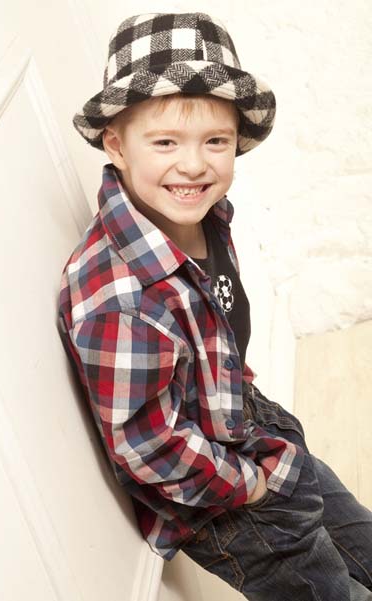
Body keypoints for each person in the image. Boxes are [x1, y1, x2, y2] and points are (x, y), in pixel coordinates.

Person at [58, 12, 372, 600]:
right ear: (116, 144)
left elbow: (218, 330)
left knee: (358, 534)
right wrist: (252, 485)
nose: (195, 164)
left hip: (254, 428)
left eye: (215, 141)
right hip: (227, 501)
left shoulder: (203, 215)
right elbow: (150, 446)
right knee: (329, 589)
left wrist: (258, 422)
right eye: (165, 142)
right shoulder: (122, 301)